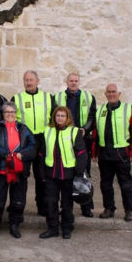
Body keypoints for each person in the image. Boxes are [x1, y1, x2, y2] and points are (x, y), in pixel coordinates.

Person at [92, 83, 132, 222]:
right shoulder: (100, 110)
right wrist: (94, 152)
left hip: (122, 153)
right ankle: (109, 208)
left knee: (125, 184)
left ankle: (129, 210)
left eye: (114, 91)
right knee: (105, 184)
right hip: (104, 153)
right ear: (105, 94)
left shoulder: (129, 109)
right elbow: (96, 133)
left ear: (119, 94)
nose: (111, 94)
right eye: (108, 92)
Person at [0, 102, 36, 239]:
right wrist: (5, 154)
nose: (10, 114)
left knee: (18, 202)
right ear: (3, 114)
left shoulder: (24, 129)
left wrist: (22, 155)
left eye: (12, 112)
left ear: (16, 114)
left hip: (19, 171)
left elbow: (33, 146)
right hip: (1, 170)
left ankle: (14, 225)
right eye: (7, 112)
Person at [39, 106, 87, 240]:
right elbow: (42, 153)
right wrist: (42, 172)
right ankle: (52, 228)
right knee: (50, 202)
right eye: (57, 115)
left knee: (66, 204)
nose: (60, 118)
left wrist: (79, 172)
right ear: (54, 117)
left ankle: (67, 228)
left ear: (68, 118)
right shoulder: (47, 131)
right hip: (51, 174)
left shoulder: (74, 132)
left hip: (68, 174)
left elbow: (81, 153)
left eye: (62, 116)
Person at [11, 70, 55, 216]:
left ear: (38, 81)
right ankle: (17, 206)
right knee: (21, 175)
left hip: (43, 140)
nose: (29, 82)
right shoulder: (16, 98)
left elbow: (55, 119)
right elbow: (11, 120)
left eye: (31, 80)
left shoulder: (48, 97)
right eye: (26, 80)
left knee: (42, 175)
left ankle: (42, 207)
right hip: (25, 141)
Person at [54, 73, 96, 217]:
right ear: (66, 82)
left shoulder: (88, 97)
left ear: (79, 82)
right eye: (71, 81)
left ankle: (86, 206)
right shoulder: (58, 97)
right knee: (65, 174)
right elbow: (54, 116)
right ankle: (65, 207)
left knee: (83, 172)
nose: (73, 83)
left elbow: (93, 116)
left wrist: (86, 128)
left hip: (82, 139)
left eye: (76, 81)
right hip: (64, 139)